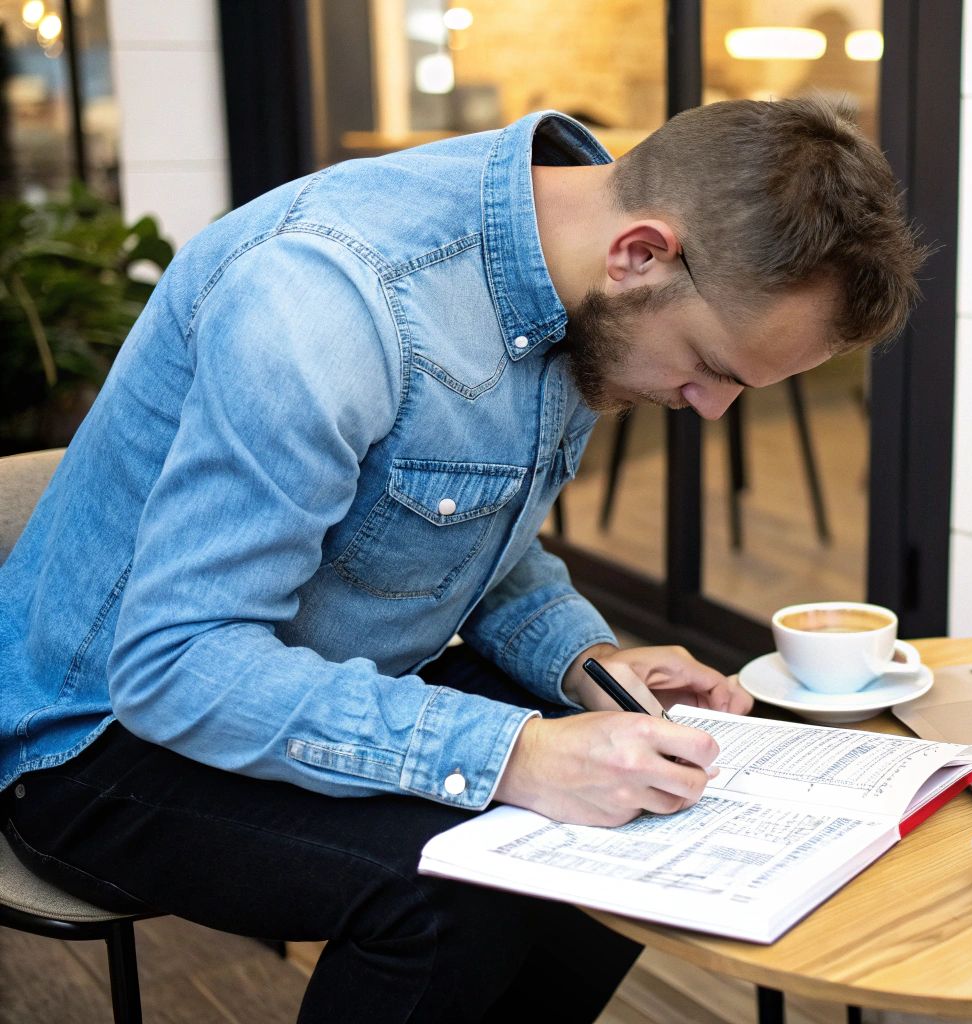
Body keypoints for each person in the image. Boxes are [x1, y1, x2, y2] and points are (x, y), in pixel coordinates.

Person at [0, 95, 924, 1022]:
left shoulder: (579, 281)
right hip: (97, 740)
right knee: (453, 896)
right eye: (713, 366)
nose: (713, 407)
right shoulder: (322, 300)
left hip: (320, 672)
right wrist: (519, 752)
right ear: (640, 254)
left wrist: (586, 664)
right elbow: (177, 667)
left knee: (630, 806)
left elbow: (469, 534)